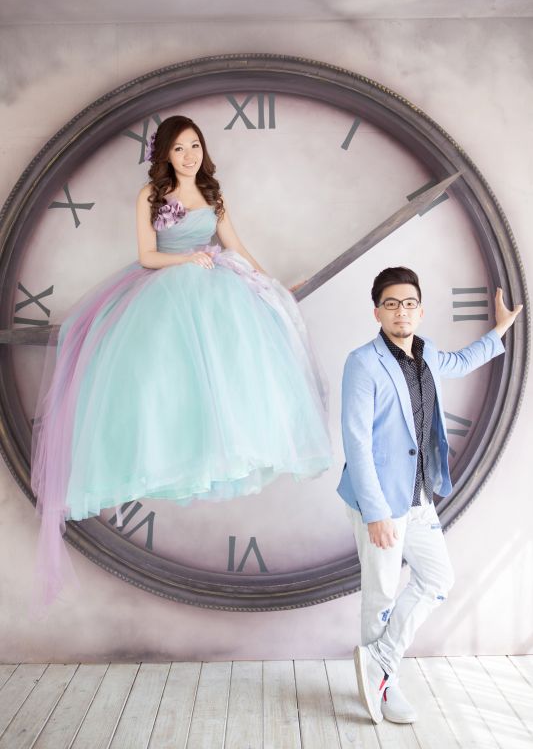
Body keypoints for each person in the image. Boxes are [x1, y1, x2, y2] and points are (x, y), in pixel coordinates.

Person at [32, 115, 332, 603]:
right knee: (163, 382)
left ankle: (226, 448)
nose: (189, 155)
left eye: (195, 145)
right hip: (167, 289)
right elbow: (147, 256)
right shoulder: (151, 195)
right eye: (179, 148)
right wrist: (187, 260)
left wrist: (271, 284)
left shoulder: (213, 194)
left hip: (216, 290)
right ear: (165, 155)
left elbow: (236, 247)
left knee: (233, 373)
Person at [337, 266, 522, 725]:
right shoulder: (363, 362)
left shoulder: (428, 354)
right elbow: (356, 442)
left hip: (419, 496)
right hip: (380, 499)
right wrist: (376, 513)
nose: (401, 311)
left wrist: (499, 329)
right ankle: (384, 686)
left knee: (437, 579)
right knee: (381, 594)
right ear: (377, 312)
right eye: (392, 304)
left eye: (409, 303)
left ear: (420, 310)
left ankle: (379, 661)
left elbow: (461, 361)